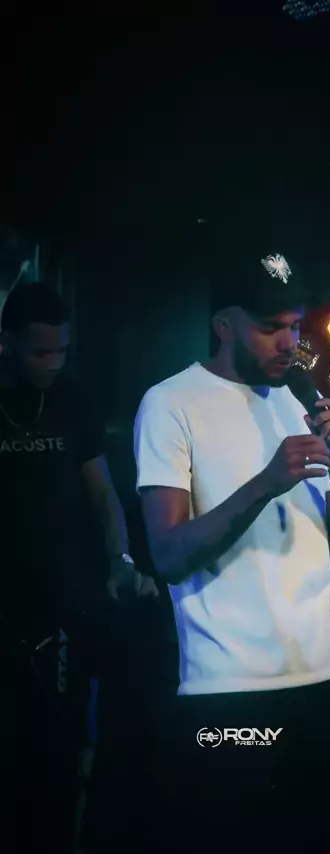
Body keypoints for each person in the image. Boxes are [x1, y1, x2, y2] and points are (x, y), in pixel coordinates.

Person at [134, 247, 330, 853]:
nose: (289, 343)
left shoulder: (300, 402)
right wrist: (265, 482)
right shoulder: (171, 403)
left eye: (294, 325)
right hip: (228, 696)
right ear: (223, 325)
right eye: (269, 328)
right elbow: (167, 554)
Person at [0, 282, 155, 854]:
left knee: (63, 749)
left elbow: (103, 493)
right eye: (40, 352)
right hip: (4, 600)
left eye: (62, 350)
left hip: (61, 601)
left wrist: (120, 559)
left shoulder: (71, 396)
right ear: (6, 343)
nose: (53, 362)